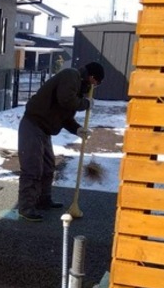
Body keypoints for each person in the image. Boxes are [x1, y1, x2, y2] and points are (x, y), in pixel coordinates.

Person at [17, 61, 105, 222]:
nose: (94, 87)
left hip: (44, 130)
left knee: (48, 167)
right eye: (96, 83)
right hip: (32, 125)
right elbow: (66, 100)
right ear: (92, 77)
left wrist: (78, 129)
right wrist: (85, 104)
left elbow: (64, 116)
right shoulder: (71, 75)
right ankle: (25, 207)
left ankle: (43, 200)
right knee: (32, 168)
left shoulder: (78, 88)